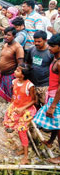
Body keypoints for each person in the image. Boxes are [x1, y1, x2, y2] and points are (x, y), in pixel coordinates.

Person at [33, 34, 60, 164]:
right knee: (55, 123)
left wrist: (53, 105)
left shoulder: (59, 63)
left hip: (57, 98)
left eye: (53, 46)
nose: (49, 48)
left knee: (59, 128)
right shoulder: (55, 59)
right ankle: (50, 141)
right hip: (52, 94)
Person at [3, 63, 36, 164]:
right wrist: (12, 105)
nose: (14, 72)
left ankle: (26, 157)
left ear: (23, 75)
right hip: (17, 108)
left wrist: (22, 108)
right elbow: (14, 94)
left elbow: (34, 100)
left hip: (26, 111)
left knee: (22, 131)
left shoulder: (30, 86)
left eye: (17, 71)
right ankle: (23, 148)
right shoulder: (15, 81)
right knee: (17, 129)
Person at [25, 31, 53, 108]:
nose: (36, 43)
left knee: (45, 106)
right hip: (33, 83)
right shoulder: (31, 50)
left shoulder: (50, 53)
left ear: (45, 40)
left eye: (39, 41)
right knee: (34, 104)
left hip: (45, 84)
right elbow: (28, 63)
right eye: (35, 41)